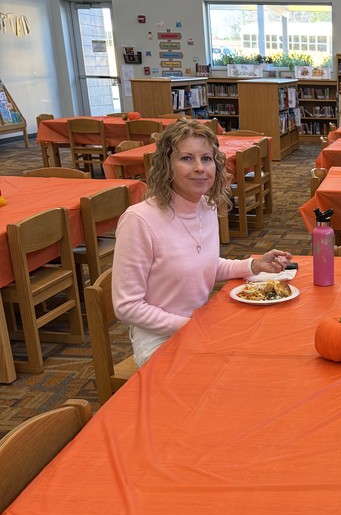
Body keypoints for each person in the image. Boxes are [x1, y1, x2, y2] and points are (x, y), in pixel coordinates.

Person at [113, 117, 292, 366]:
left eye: (206, 159)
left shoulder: (206, 207)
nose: (200, 167)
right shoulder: (139, 220)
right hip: (159, 339)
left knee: (268, 350)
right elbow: (127, 306)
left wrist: (254, 265)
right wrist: (190, 326)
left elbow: (204, 265)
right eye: (187, 158)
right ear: (167, 165)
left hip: (200, 323)